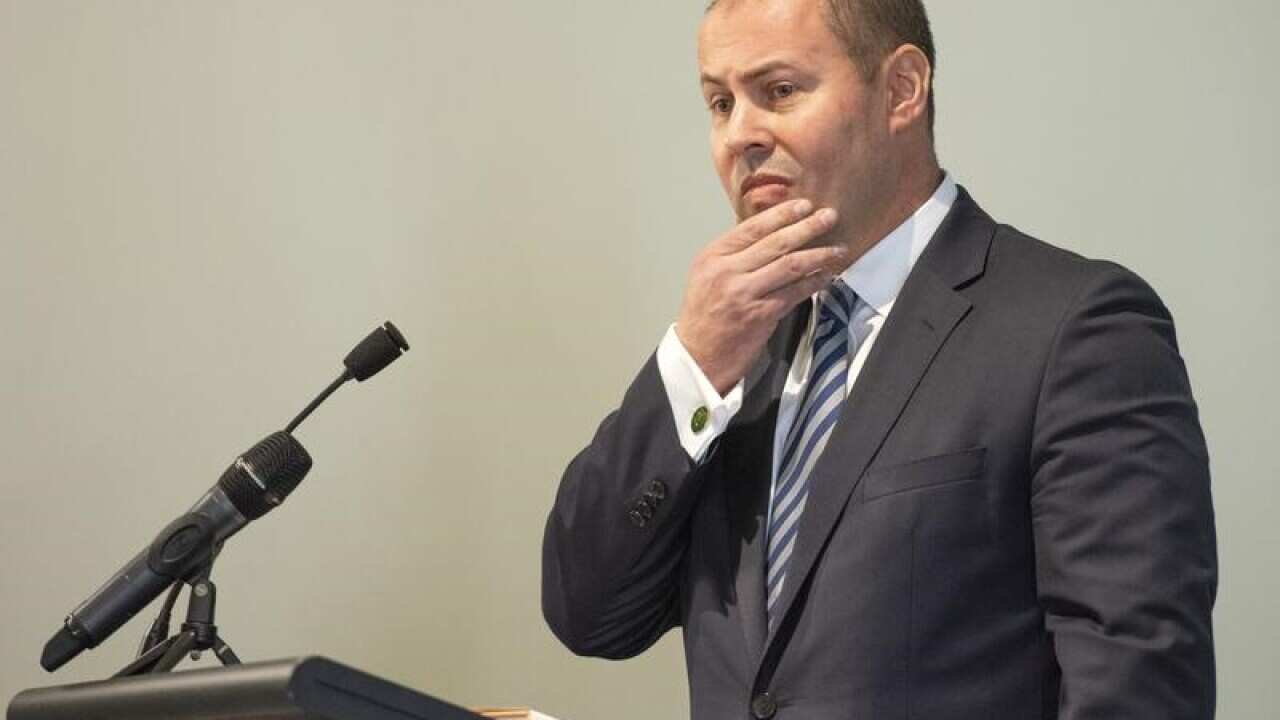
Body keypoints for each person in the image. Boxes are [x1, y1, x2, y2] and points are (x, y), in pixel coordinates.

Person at [541, 0, 1218, 717]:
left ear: (901, 90)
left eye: (778, 92)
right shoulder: (735, 356)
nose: (740, 134)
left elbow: (1138, 688)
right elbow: (589, 614)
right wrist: (692, 365)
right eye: (719, 102)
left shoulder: (1074, 330)